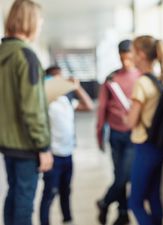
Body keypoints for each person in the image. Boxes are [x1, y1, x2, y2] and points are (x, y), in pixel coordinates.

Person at [0, 1, 53, 225]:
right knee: (24, 200)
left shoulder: (4, 52)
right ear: (29, 21)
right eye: (39, 20)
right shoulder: (26, 56)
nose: (40, 25)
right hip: (26, 143)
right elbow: (31, 109)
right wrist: (43, 146)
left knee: (14, 193)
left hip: (7, 142)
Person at [124, 35, 163, 225]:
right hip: (159, 146)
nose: (131, 57)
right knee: (153, 197)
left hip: (145, 147)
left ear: (141, 55)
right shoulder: (160, 81)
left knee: (134, 202)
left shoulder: (142, 83)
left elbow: (131, 121)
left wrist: (125, 117)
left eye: (133, 53)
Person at [39, 65, 94, 225]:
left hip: (68, 155)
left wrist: (76, 88)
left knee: (66, 191)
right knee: (49, 194)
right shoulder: (45, 103)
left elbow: (89, 106)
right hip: (53, 156)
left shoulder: (67, 100)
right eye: (57, 80)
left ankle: (68, 219)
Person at [96, 39, 140, 225]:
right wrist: (99, 133)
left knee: (124, 176)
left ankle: (104, 202)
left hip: (133, 134)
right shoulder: (111, 78)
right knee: (119, 175)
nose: (125, 62)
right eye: (122, 58)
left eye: (128, 58)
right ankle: (123, 214)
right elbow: (102, 108)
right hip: (115, 134)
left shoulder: (141, 77)